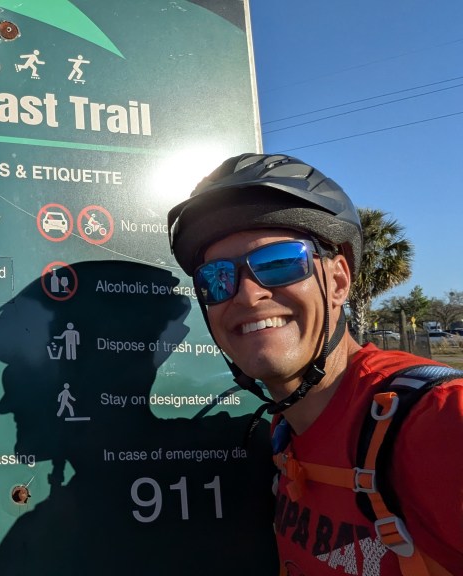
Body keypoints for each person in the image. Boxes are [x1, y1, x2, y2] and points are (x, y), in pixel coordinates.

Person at [167, 153, 463, 575]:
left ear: (338, 281)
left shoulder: (439, 421)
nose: (248, 294)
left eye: (280, 264)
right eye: (217, 278)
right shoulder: (283, 433)